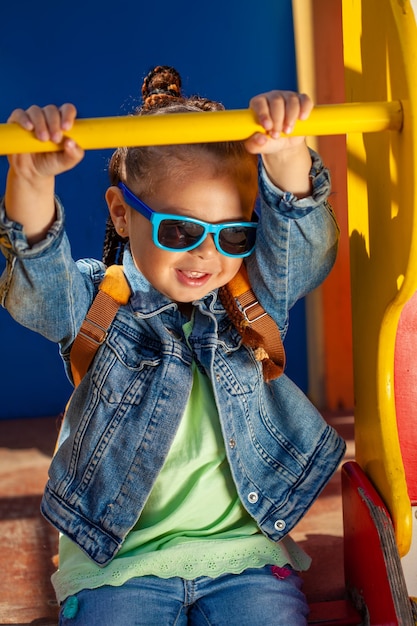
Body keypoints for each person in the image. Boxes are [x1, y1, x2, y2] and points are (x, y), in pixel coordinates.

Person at [0, 65, 345, 625]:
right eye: (181, 232)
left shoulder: (248, 298)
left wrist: (287, 159)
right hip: (118, 559)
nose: (207, 255)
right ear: (121, 212)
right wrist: (33, 183)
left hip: (241, 556)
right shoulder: (100, 303)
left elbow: (305, 250)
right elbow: (40, 293)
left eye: (233, 234)